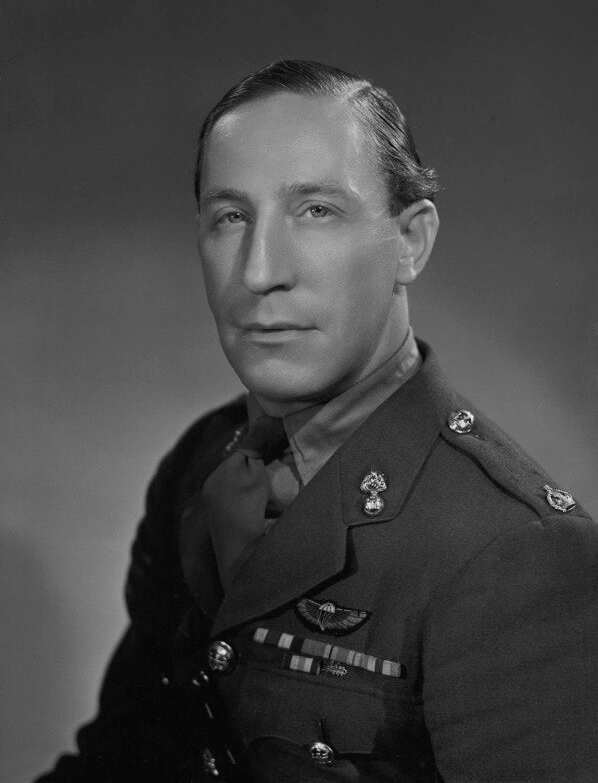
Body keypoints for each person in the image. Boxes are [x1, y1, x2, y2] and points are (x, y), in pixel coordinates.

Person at [35, 59, 598, 783]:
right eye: (231, 217)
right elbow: (119, 764)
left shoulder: (517, 552)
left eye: (316, 211)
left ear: (411, 241)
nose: (259, 271)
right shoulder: (203, 463)